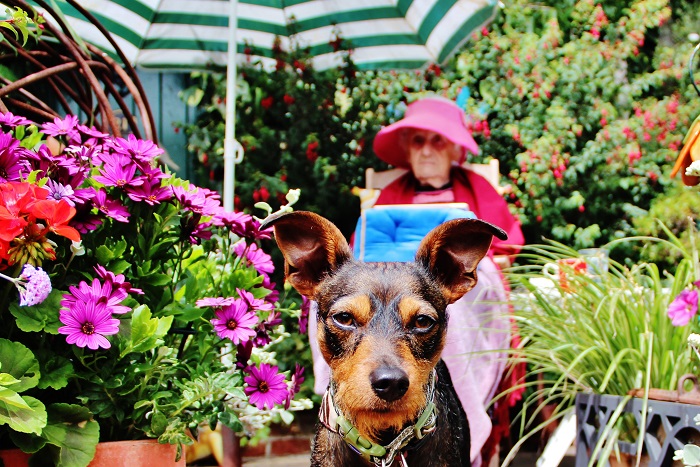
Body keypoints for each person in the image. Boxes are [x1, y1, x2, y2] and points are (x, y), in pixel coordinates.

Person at [308, 96, 525, 466]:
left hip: (447, 279)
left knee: (464, 301)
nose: (426, 150)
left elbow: (509, 245)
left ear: (455, 148)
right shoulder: (392, 191)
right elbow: (360, 255)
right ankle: (343, 390)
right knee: (336, 296)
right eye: (418, 140)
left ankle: (461, 410)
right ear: (407, 148)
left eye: (437, 140)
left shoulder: (478, 188)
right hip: (386, 278)